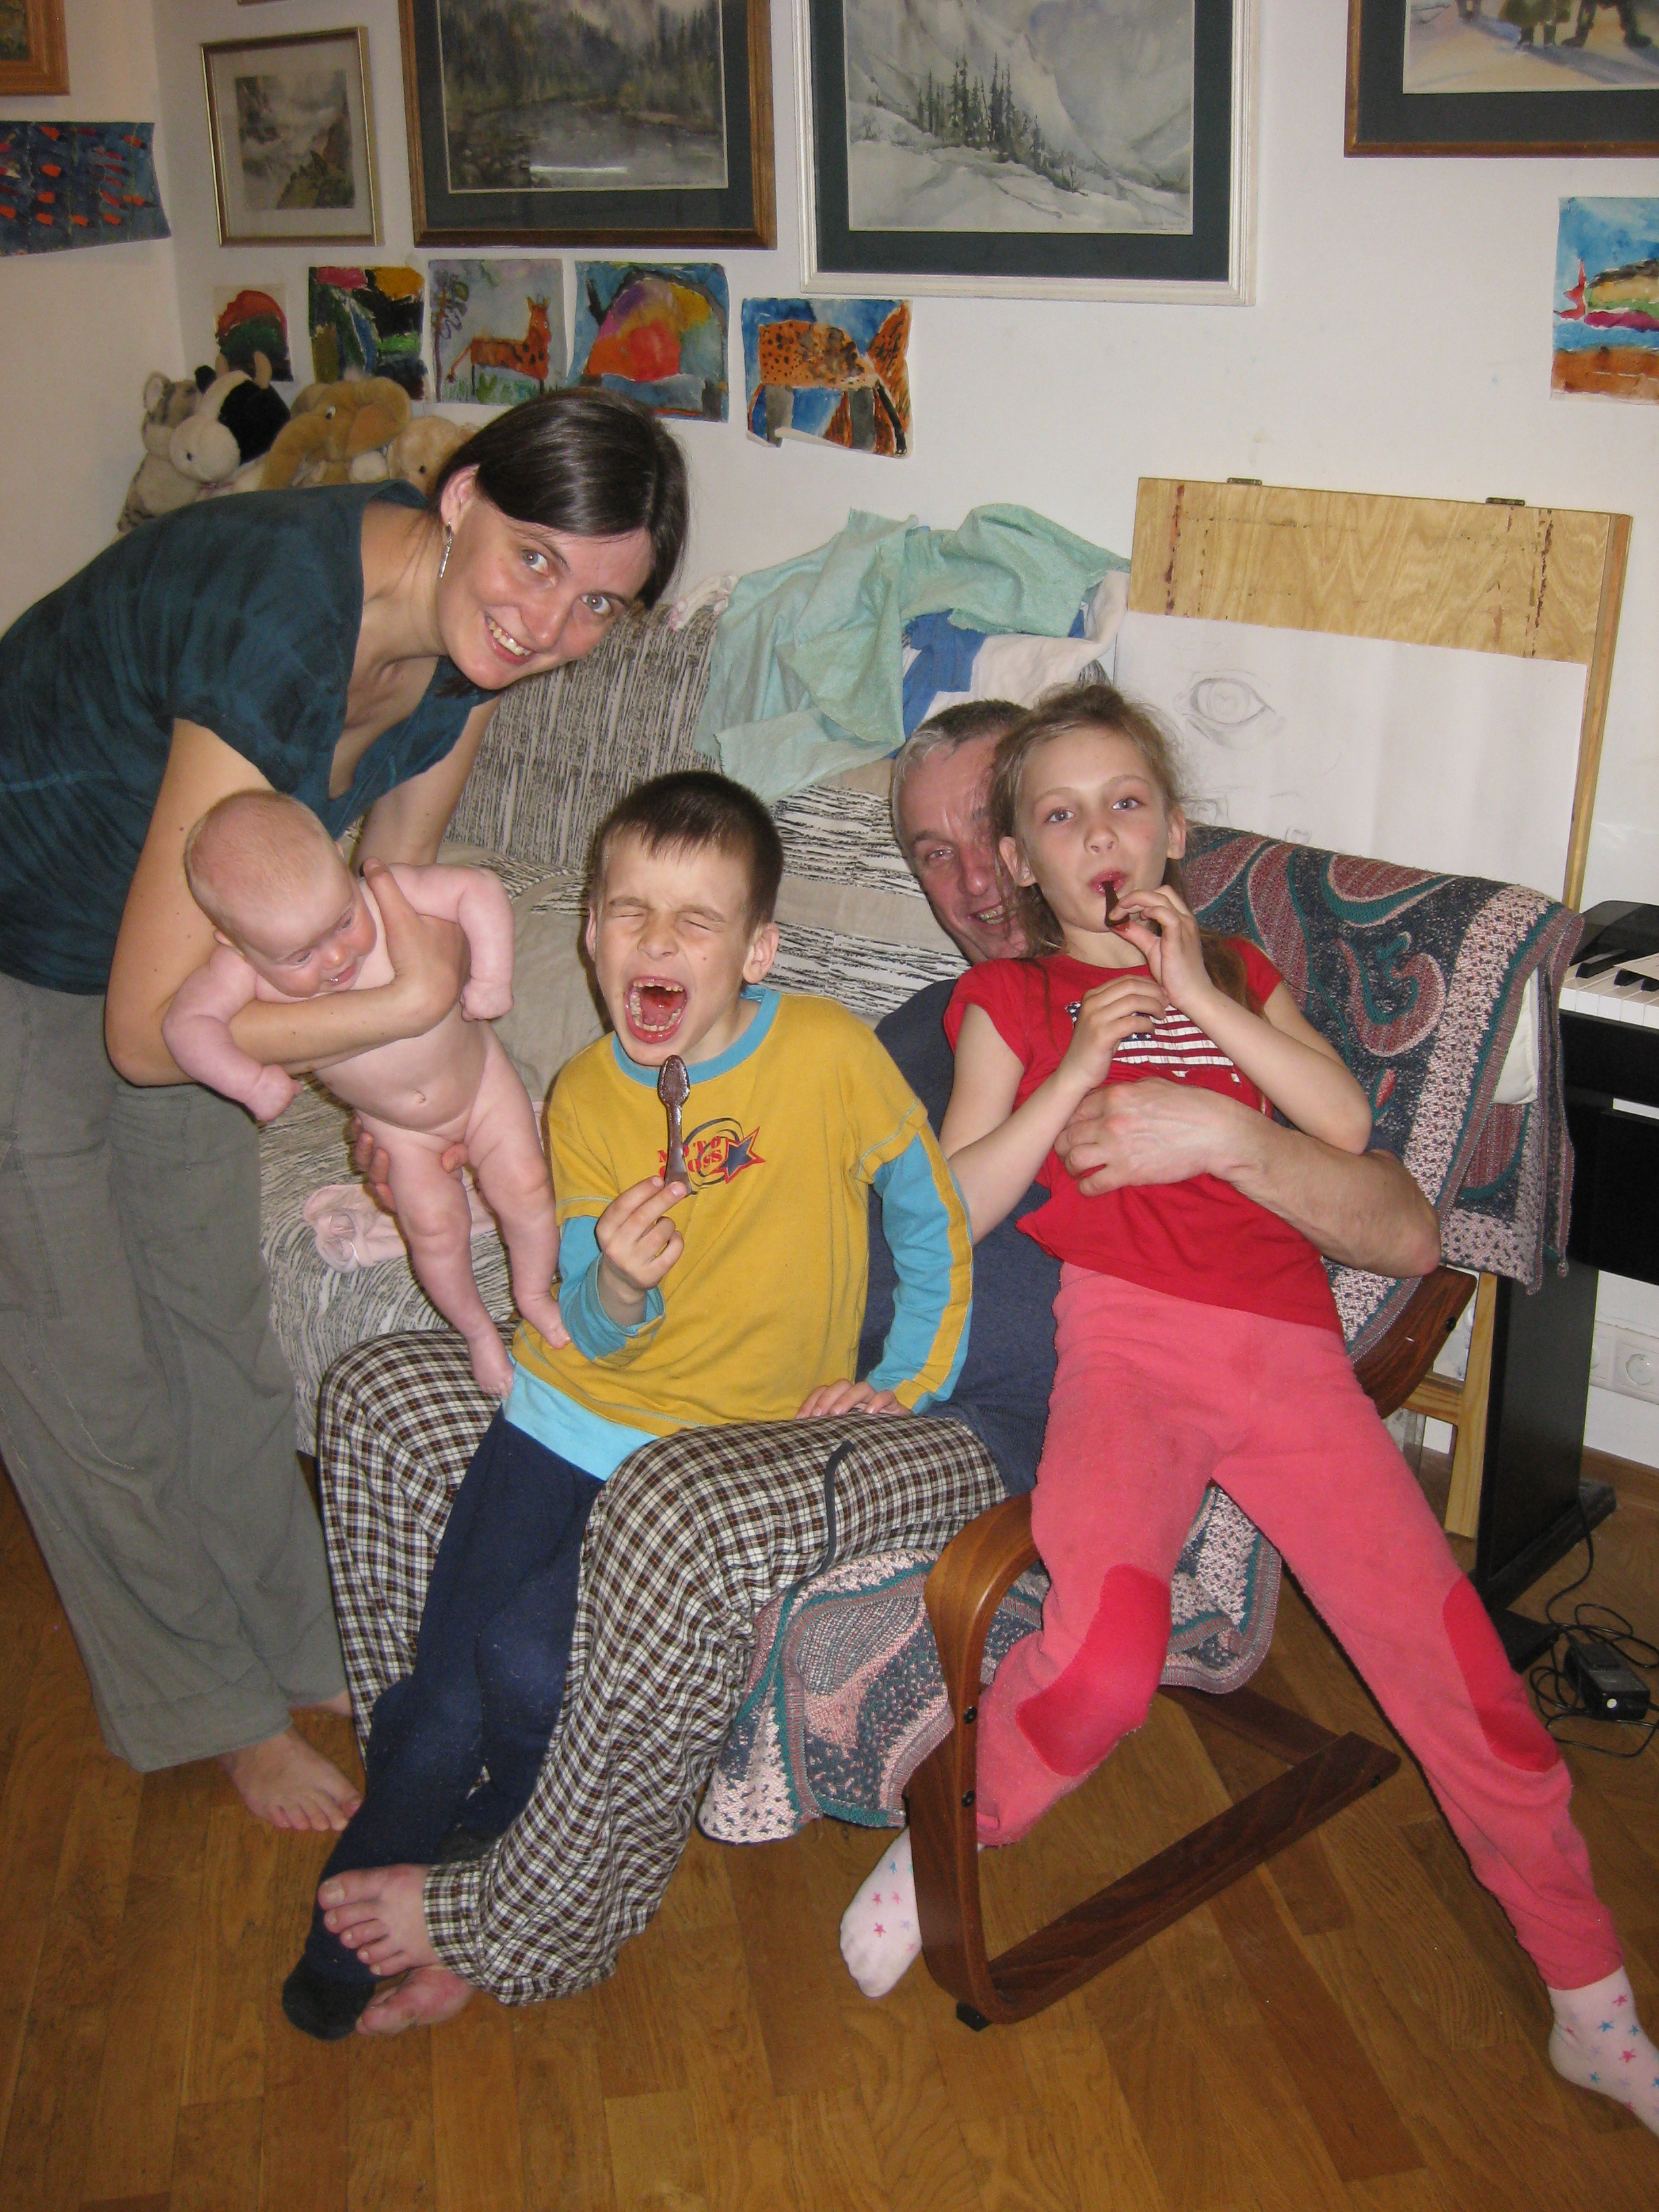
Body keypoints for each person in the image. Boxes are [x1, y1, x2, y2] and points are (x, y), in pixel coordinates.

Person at [315, 701, 1440, 2038]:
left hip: (979, 1423)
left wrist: (1226, 1138)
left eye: (989, 826)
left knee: (668, 1518)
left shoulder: (1200, 1007)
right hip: (768, 1388)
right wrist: (476, 1156)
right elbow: (725, 1180)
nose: (973, 878)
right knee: (386, 1398)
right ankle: (438, 1807)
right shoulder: (914, 1021)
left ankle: (510, 1921)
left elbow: (1405, 1229)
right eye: (933, 852)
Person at [851, 686, 1659, 2139]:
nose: (1098, 834)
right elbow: (952, 1206)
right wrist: (1075, 1064)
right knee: (1102, 1661)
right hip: (1127, 1355)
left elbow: (1343, 1127)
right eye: (1058, 816)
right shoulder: (1007, 1001)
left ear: (1173, 829)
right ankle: (948, 1827)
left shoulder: (1233, 966)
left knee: (1459, 1678)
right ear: (1020, 861)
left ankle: (1591, 2000)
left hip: (1289, 1358)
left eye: (1125, 803)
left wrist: (1205, 1003)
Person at [0, 388, 687, 1830]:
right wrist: (390, 1016)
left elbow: (387, 921)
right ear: (462, 497)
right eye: (536, 559)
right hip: (25, 935)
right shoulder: (280, 624)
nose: (549, 623)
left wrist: (408, 1101)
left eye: (598, 604)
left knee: (214, 1322)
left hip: (192, 964)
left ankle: (294, 1643)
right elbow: (143, 1038)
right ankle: (207, 1705)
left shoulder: (467, 660)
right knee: (86, 1368)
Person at [289, 769, 972, 2037]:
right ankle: (335, 1959)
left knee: (524, 1666)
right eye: (628, 912)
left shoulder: (828, 1054)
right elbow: (581, 1324)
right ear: (591, 935)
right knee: (439, 1699)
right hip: (557, 1423)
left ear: (756, 951)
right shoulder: (589, 1094)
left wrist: (905, 1381)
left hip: (706, 1465)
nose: (657, 941)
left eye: (696, 920)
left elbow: (933, 1225)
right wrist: (611, 1282)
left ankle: (476, 1889)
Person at [165, 790, 567, 1395]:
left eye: (344, 922)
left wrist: (492, 976)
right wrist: (248, 1082)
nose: (336, 957)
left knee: (527, 1186)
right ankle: (478, 1333)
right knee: (434, 1230)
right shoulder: (240, 971)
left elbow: (478, 889)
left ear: (340, 860)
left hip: (481, 1083)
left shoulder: (383, 891)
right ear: (232, 941)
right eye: (299, 956)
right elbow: (185, 1025)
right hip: (397, 1129)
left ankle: (534, 1295)